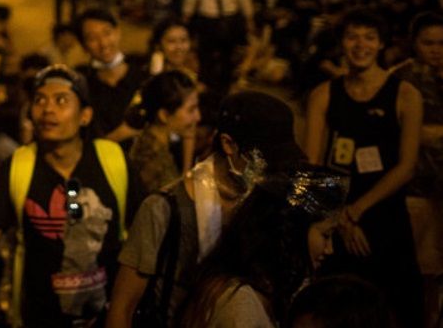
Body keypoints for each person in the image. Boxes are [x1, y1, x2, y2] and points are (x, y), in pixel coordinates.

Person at [107, 89, 308, 328]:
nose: (274, 170)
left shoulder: (268, 204)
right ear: (228, 144)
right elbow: (122, 308)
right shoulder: (163, 210)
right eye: (265, 159)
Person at [0, 65, 129, 328]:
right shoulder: (16, 169)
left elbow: (140, 247)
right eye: (39, 100)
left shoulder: (114, 161)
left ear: (85, 115)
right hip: (36, 317)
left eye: (61, 100)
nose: (48, 109)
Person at [305, 7, 424, 328]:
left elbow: (406, 167)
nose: (361, 45)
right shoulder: (323, 95)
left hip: (385, 217)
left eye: (369, 38)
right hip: (336, 215)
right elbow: (313, 165)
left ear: (382, 44)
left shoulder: (405, 95)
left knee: (394, 309)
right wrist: (339, 216)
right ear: (341, 43)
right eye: (352, 37)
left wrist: (356, 210)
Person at [179, 164, 349, 328]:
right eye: (325, 235)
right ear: (292, 230)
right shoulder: (241, 304)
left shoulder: (268, 292)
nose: (329, 249)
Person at [396, 10, 443, 328]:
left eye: (442, 43)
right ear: (414, 44)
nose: (437, 50)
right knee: (421, 270)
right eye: (428, 43)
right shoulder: (400, 79)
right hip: (418, 189)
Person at [125, 71, 200, 200]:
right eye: (191, 110)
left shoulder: (155, 142)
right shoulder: (150, 159)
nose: (198, 117)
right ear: (164, 115)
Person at [76, 7, 145, 143]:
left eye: (107, 33)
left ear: (117, 32)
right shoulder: (83, 87)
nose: (103, 43)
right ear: (83, 45)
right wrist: (120, 134)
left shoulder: (143, 77)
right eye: (92, 38)